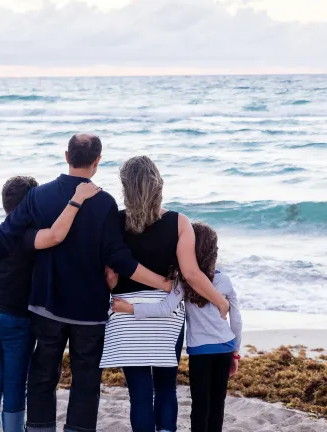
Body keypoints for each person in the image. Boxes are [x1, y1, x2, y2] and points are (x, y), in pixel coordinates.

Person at [0, 134, 172, 432]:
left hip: (46, 305)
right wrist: (162, 283)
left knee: (43, 374)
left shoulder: (38, 196)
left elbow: (5, 235)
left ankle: (40, 428)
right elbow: (118, 258)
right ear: (97, 161)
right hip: (89, 311)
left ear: (66, 156)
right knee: (86, 380)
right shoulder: (105, 202)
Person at [100, 156, 231, 432]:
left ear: (126, 188)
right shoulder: (179, 222)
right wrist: (219, 301)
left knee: (139, 395)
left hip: (126, 311)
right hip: (167, 313)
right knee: (166, 388)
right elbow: (192, 274)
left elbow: (109, 275)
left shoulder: (115, 222)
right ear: (158, 185)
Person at [0, 176, 101, 432]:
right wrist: (77, 200)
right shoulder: (28, 237)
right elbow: (57, 235)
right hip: (15, 319)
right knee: (15, 382)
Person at [113, 222, 242, 432]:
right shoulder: (224, 280)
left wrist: (130, 309)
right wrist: (235, 351)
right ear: (213, 251)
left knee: (200, 405)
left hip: (201, 352)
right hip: (225, 347)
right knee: (218, 403)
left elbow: (164, 309)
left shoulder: (184, 281)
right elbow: (236, 320)